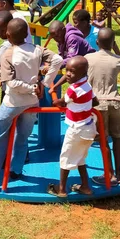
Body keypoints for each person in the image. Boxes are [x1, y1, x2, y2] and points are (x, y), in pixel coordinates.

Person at [0, 19, 62, 195]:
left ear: (8, 35)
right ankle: (16, 169)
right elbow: (58, 59)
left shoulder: (8, 54)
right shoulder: (37, 50)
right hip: (32, 102)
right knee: (22, 137)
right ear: (27, 33)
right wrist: (44, 83)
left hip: (13, 103)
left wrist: (33, 86)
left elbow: (11, 84)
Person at [84, 28, 120, 184]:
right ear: (113, 43)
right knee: (117, 137)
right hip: (115, 103)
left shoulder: (88, 58)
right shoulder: (118, 60)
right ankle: (119, 172)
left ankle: (109, 174)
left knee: (103, 140)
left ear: (97, 42)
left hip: (98, 104)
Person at [47, 56, 98, 197]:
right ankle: (85, 187)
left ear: (82, 73)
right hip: (89, 127)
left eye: (72, 72)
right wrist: (82, 106)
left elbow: (62, 102)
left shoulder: (73, 89)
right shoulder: (87, 85)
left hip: (77, 129)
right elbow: (95, 101)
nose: (68, 74)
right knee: (80, 157)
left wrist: (55, 100)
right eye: (67, 70)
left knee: (65, 158)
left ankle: (61, 189)